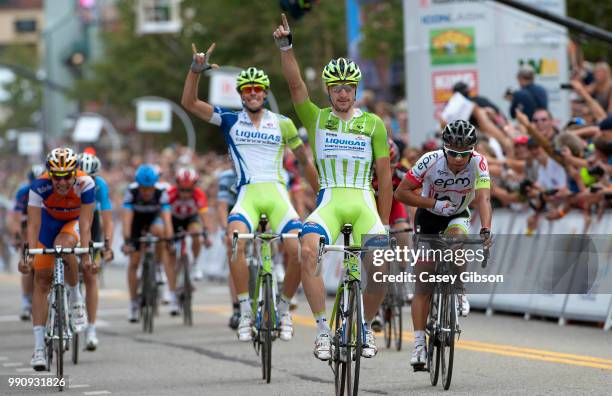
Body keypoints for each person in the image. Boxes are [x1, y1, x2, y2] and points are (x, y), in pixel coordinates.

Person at [181, 43, 319, 342]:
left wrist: (321, 194)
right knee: (235, 241)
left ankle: (283, 309)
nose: (253, 93)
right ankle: (244, 311)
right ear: (241, 95)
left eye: (258, 89)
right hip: (247, 195)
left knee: (296, 249)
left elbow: (304, 161)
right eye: (247, 90)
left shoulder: (282, 123)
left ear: (265, 93)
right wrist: (195, 70)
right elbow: (190, 103)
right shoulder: (229, 120)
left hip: (277, 194)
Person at [273, 14, 392, 360]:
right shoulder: (317, 118)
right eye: (337, 88)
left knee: (382, 262)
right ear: (329, 91)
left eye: (348, 88)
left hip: (364, 201)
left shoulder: (373, 124)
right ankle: (323, 330)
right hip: (330, 199)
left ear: (355, 90)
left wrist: (383, 223)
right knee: (307, 248)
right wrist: (286, 47)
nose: (343, 93)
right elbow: (296, 86)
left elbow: (384, 178)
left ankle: (366, 325)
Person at [394, 120, 492, 369]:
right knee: (423, 283)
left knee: (457, 242)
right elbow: (402, 193)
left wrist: (486, 228)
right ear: (444, 148)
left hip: (457, 214)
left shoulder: (479, 162)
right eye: (453, 153)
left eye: (464, 154)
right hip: (428, 215)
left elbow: (483, 198)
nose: (459, 159)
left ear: (472, 150)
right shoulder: (430, 161)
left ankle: (458, 290)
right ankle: (418, 344)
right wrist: (432, 203)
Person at [19, 148, 96, 370]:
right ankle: (39, 349)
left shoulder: (86, 183)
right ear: (49, 174)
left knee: (63, 246)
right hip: (47, 224)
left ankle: (75, 298)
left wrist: (87, 254)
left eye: (67, 176)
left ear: (75, 173)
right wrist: (30, 256)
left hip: (72, 224)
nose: (62, 182)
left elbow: (86, 223)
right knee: (41, 280)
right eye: (57, 177)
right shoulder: (39, 186)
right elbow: (33, 225)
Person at [121, 164, 176, 320]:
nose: (146, 192)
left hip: (154, 218)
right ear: (138, 185)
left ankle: (157, 264)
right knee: (134, 261)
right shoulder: (131, 191)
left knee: (160, 232)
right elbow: (127, 219)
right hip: (136, 221)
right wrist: (127, 241)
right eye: (143, 188)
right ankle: (133, 303)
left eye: (149, 188)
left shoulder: (161, 192)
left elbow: (167, 219)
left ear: (154, 185)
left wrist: (169, 239)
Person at [77, 153, 114, 350]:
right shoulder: (68, 182)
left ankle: (91, 329)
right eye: (83, 176)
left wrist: (107, 245)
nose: (87, 181)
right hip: (73, 223)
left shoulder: (100, 186)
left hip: (93, 225)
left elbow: (108, 220)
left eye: (91, 178)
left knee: (91, 276)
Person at [9, 164, 45, 321]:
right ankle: (26, 301)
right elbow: (16, 218)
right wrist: (17, 236)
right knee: (28, 265)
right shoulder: (23, 192)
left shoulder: (49, 189)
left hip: (43, 223)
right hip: (27, 223)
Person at [167, 167, 211, 285]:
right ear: (177, 186)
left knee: (196, 232)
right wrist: (168, 234)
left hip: (190, 219)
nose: (185, 194)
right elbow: (163, 215)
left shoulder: (199, 194)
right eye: (182, 190)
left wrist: (206, 235)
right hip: (173, 220)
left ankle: (196, 263)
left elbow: (204, 217)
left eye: (189, 190)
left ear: (194, 187)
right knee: (169, 251)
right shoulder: (170, 193)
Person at [216, 167, 241, 330]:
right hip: (234, 212)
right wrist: (226, 230)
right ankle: (237, 309)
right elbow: (222, 205)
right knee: (234, 254)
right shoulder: (226, 177)